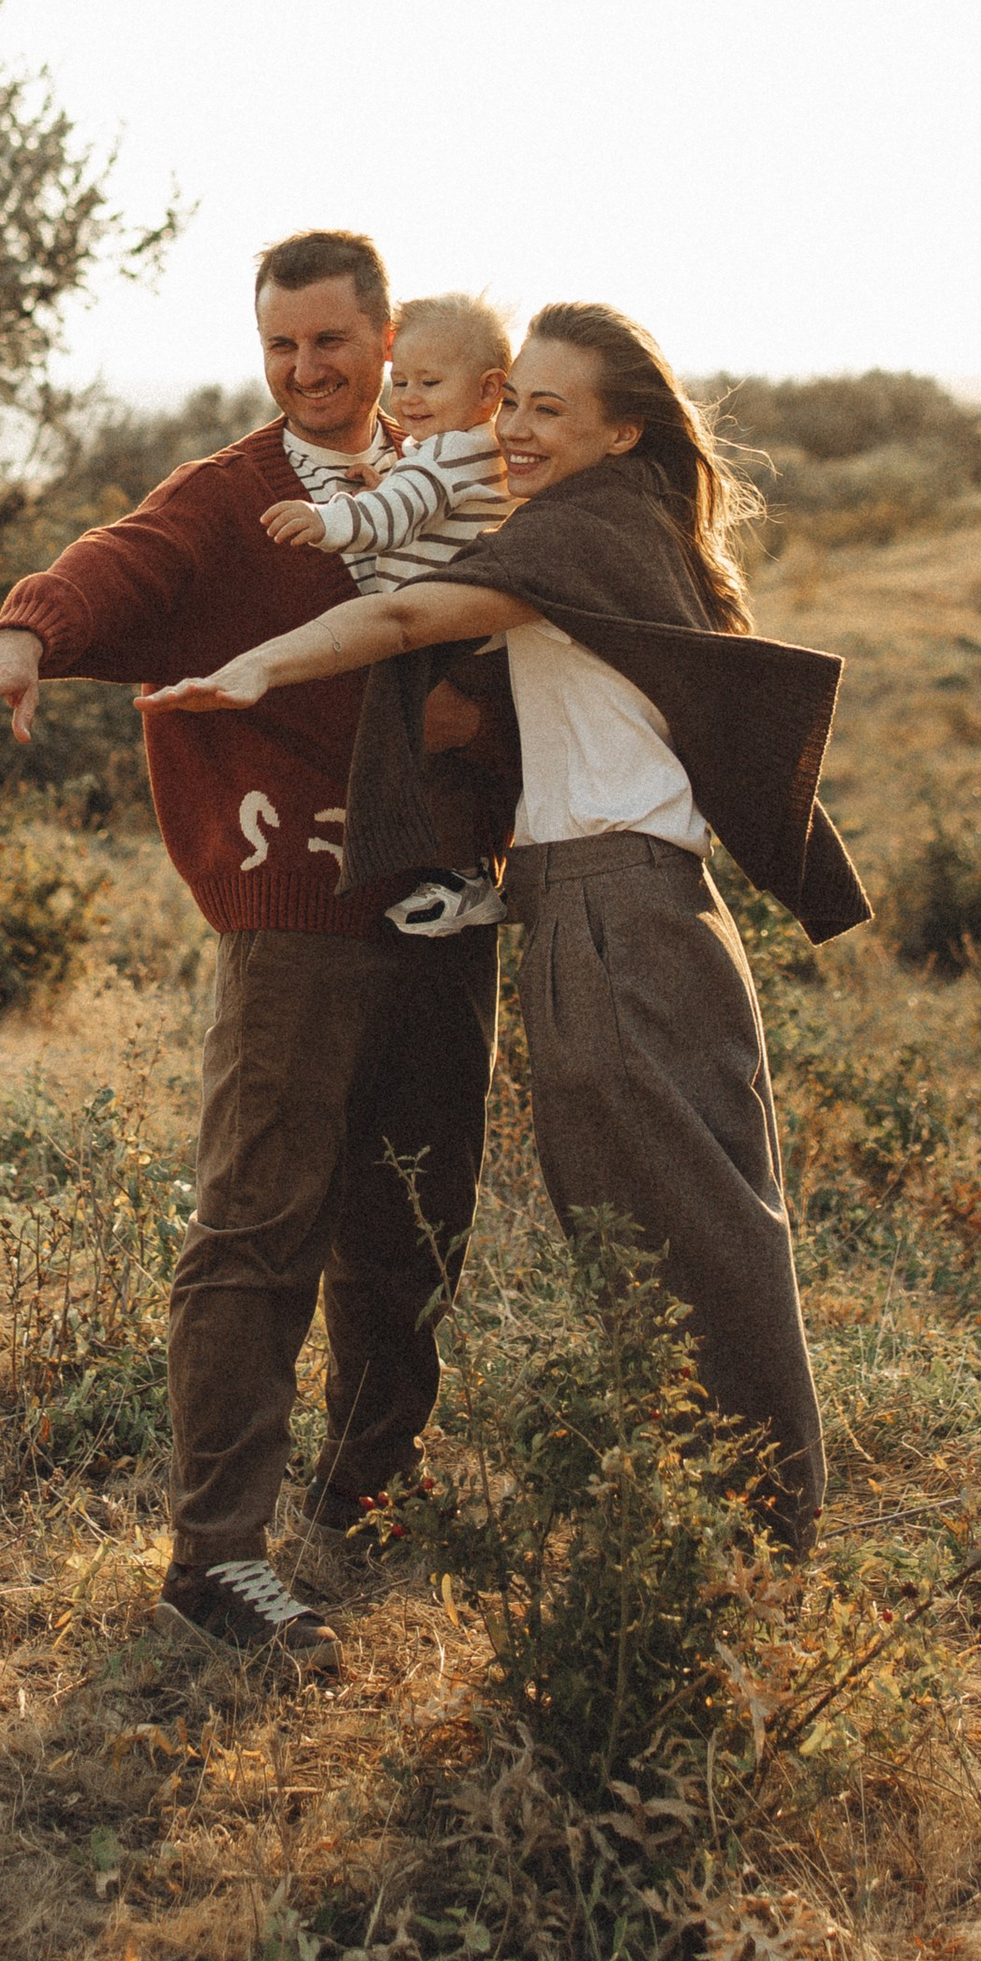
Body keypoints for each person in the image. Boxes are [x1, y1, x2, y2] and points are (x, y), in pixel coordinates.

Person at [143, 301, 868, 1552]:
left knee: (668, 1222)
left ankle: (750, 1531)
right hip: (630, 903)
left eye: (547, 410)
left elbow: (413, 617)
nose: (514, 429)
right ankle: (737, 1512)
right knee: (682, 1212)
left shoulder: (579, 531)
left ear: (619, 431)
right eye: (512, 401)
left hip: (608, 906)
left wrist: (266, 665)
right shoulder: (625, 526)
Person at [0, 232, 504, 1684]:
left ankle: (368, 1498)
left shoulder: (466, 476)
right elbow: (124, 562)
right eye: (280, 347)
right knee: (256, 1228)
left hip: (444, 914)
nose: (307, 372)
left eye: (332, 347)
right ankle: (217, 1554)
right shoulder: (237, 500)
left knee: (411, 1226)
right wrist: (31, 634)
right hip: (294, 910)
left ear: (387, 342)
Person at [259, 290, 515, 936]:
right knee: (448, 757)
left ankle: (458, 875)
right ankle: (467, 871)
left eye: (430, 382)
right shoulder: (475, 449)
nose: (409, 398)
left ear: (489, 390)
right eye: (401, 381)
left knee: (414, 754)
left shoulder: (448, 450)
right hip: (465, 632)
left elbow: (394, 516)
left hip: (443, 640)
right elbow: (419, 506)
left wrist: (326, 520)